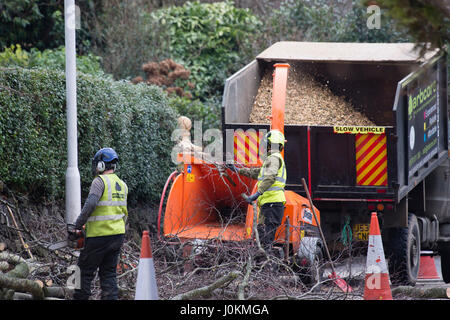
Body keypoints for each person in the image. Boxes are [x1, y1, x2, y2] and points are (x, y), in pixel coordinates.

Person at [71, 147, 128, 300]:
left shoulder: (99, 181)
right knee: (108, 273)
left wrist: (78, 224)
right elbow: (124, 213)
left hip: (99, 236)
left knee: (83, 271)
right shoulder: (122, 185)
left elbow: (90, 204)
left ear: (101, 165)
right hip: (117, 236)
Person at [227, 130, 286, 253]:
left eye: (266, 144)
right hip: (270, 204)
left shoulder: (274, 158)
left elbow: (270, 177)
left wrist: (256, 194)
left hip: (272, 204)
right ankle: (265, 263)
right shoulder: (271, 159)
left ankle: (268, 266)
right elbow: (257, 172)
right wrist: (238, 170)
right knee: (262, 235)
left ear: (271, 144)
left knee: (266, 238)